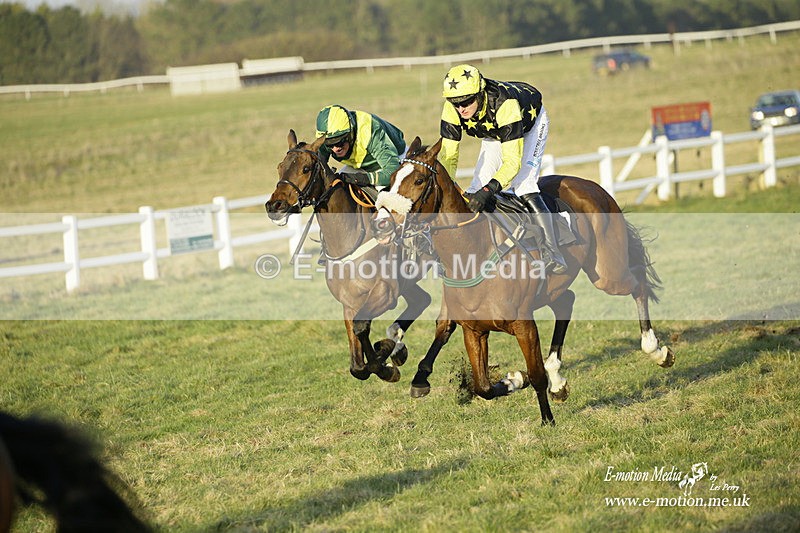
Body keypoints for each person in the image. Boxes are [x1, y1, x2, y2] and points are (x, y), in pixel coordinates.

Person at [438, 64, 567, 274]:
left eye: (466, 101)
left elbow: (512, 163)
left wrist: (489, 191)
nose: (461, 108)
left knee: (523, 183)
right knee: (474, 187)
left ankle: (553, 252)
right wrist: (447, 188)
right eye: (455, 103)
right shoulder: (452, 108)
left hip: (528, 125)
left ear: (479, 94)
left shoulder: (505, 104)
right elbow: (448, 156)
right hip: (496, 131)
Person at [315, 104, 407, 188]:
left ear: (350, 134)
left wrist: (363, 179)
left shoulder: (370, 132)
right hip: (360, 166)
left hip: (395, 161)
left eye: (340, 142)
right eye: (330, 144)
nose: (335, 148)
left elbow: (392, 172)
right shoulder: (327, 136)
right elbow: (318, 163)